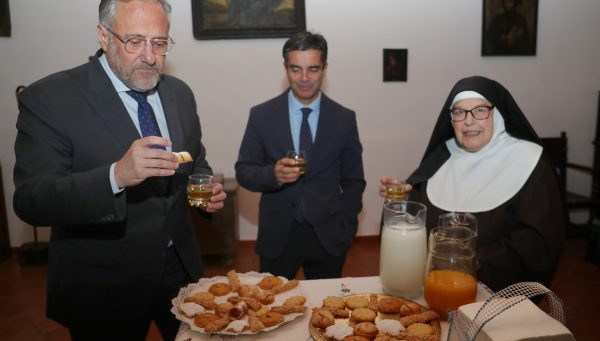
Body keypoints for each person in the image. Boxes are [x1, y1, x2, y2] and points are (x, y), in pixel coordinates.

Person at [13, 0, 226, 339]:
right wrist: (116, 176)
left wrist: (204, 193)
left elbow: (195, 159)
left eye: (159, 42)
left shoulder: (180, 93)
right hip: (103, 283)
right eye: (134, 41)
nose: (150, 56)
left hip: (180, 270)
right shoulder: (50, 98)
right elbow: (31, 200)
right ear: (103, 35)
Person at [379, 75, 566, 292]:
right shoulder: (442, 155)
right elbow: (414, 223)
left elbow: (536, 244)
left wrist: (468, 263)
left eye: (480, 110)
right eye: (459, 112)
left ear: (498, 114)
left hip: (497, 298)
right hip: (435, 288)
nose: (468, 121)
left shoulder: (530, 160)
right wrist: (402, 199)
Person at [235, 31, 366, 280]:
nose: (304, 78)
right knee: (273, 311)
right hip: (278, 236)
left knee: (326, 314)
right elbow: (244, 171)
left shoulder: (344, 118)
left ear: (325, 69)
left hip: (329, 237)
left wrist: (346, 227)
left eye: (313, 69)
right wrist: (273, 174)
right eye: (296, 69)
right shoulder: (261, 115)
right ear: (285, 68)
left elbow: (354, 180)